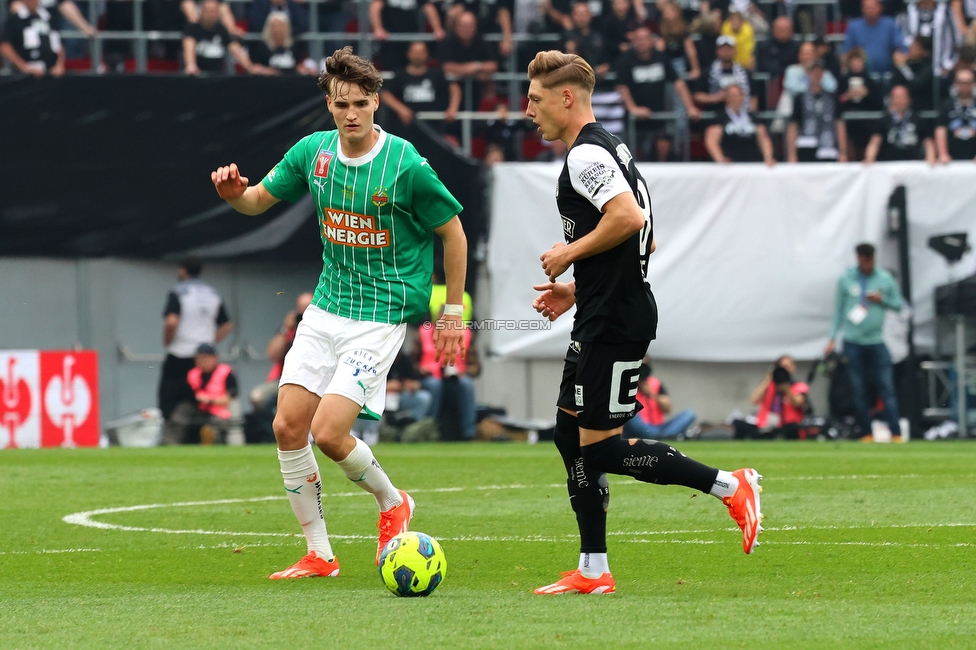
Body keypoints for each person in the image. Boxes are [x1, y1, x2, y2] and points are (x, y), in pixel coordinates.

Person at [210, 47, 467, 579]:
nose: (351, 113)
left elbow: (453, 231)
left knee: (328, 433)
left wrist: (453, 311)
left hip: (381, 315)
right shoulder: (313, 153)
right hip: (327, 309)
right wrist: (234, 196)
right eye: (341, 103)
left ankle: (394, 502)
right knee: (286, 426)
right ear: (329, 104)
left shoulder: (406, 165)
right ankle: (319, 554)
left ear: (376, 103)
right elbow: (257, 200)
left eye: (361, 102)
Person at [524, 50, 763, 595]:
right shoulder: (612, 149)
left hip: (616, 320)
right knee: (570, 435)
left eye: (536, 100)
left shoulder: (585, 156)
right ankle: (592, 569)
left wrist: (568, 254)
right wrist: (577, 287)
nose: (528, 110)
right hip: (601, 311)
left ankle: (730, 486)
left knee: (603, 449)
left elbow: (628, 220)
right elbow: (644, 237)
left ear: (566, 98)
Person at [824, 243, 904, 439]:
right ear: (858, 258)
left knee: (886, 387)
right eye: (863, 260)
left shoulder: (884, 278)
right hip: (853, 341)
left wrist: (881, 300)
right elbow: (838, 311)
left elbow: (898, 304)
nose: (866, 264)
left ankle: (896, 432)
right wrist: (832, 338)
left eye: (870, 260)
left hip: (876, 340)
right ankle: (866, 433)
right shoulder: (847, 279)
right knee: (858, 390)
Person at [159, 257, 233, 435]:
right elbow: (227, 325)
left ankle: (173, 438)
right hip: (204, 356)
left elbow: (171, 321)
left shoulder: (178, 292)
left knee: (170, 402)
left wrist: (168, 341)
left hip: (180, 354)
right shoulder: (213, 294)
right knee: (202, 399)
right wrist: (210, 341)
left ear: (183, 270)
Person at [615, 26, 701, 162]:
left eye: (645, 39)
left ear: (651, 41)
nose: (642, 42)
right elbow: (622, 87)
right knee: (629, 154)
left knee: (664, 143)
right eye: (638, 39)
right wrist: (633, 109)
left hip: (659, 118)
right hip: (634, 121)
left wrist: (689, 107)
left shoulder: (661, 58)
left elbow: (678, 83)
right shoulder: (626, 61)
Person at [250, 291, 314, 421]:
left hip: (315, 378)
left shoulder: (321, 328)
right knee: (258, 397)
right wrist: (286, 328)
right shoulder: (288, 331)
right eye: (302, 310)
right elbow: (272, 355)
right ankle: (272, 436)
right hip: (286, 378)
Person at [162, 344, 240, 445]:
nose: (201, 361)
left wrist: (209, 400)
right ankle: (169, 443)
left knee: (216, 426)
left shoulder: (226, 372)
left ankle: (212, 441)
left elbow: (230, 397)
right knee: (182, 411)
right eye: (199, 358)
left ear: (214, 358)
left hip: (218, 410)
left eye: (205, 358)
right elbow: (189, 394)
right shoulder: (193, 374)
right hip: (198, 408)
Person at [417, 317, 477, 440]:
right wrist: (421, 371)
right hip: (430, 378)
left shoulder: (465, 333)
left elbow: (476, 366)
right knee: (434, 385)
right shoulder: (423, 332)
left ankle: (469, 433)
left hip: (455, 378)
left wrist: (465, 371)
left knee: (467, 384)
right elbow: (412, 363)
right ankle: (429, 429)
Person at [381, 41, 461, 127]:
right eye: (415, 52)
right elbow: (385, 94)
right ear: (408, 53)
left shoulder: (436, 74)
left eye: (421, 52)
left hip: (433, 125)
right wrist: (401, 109)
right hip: (407, 124)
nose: (418, 55)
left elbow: (454, 88)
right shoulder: (400, 75)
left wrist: (453, 109)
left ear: (427, 54)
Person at [787, 59, 848, 162]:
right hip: (806, 147)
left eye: (819, 71)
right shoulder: (800, 98)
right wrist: (792, 154)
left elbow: (839, 124)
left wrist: (843, 152)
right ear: (808, 73)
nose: (816, 74)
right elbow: (793, 125)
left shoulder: (832, 98)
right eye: (813, 71)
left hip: (828, 148)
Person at [734, 356, 809, 439]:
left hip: (786, 426)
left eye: (788, 366)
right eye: (783, 367)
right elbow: (754, 400)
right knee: (738, 423)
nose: (786, 370)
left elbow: (798, 403)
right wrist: (768, 379)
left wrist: (786, 389)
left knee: (792, 428)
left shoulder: (798, 386)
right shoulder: (769, 386)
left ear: (793, 368)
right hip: (766, 425)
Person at [183, 0, 264, 75]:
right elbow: (189, 46)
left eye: (213, 11)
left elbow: (235, 47)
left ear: (218, 13)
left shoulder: (221, 29)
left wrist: (250, 67)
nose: (210, 15)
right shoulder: (192, 28)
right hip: (198, 75)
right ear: (201, 12)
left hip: (217, 75)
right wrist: (191, 65)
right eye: (207, 11)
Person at [863, 85, 936, 163]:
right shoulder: (883, 120)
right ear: (891, 99)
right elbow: (875, 141)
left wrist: (931, 157)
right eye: (897, 97)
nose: (900, 100)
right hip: (890, 163)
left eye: (902, 97)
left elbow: (927, 141)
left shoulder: (918, 119)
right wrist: (869, 158)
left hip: (913, 163)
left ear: (909, 99)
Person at [623, 362, 697, 439]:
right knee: (631, 415)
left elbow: (668, 409)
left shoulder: (655, 383)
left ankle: (663, 436)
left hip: (660, 426)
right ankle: (664, 436)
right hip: (642, 427)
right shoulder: (628, 384)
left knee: (689, 414)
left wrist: (652, 394)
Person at [705, 83, 775, 164]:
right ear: (726, 98)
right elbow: (711, 141)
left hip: (753, 164)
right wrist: (720, 159)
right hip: (730, 166)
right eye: (732, 95)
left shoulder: (753, 117)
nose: (736, 98)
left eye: (739, 95)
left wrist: (768, 157)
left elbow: (763, 139)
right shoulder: (719, 118)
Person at [369, 0, 445, 70]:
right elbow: (375, 6)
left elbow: (428, 7)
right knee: (390, 69)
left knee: (414, 67)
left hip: (412, 39)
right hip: (390, 39)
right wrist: (378, 29)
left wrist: (437, 29)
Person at [839, 47, 884, 160]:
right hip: (849, 125)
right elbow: (837, 103)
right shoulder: (843, 81)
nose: (856, 64)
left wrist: (867, 94)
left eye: (859, 61)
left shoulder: (871, 82)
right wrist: (847, 96)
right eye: (853, 61)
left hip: (867, 124)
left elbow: (879, 105)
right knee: (851, 153)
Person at [841, 0, 907, 75]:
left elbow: (901, 47)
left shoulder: (890, 24)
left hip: (888, 73)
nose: (870, 11)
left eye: (873, 8)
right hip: (861, 75)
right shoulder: (853, 26)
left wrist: (898, 54)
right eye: (867, 8)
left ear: (880, 8)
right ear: (862, 9)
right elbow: (846, 50)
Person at [693, 35, 757, 112]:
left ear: (734, 51)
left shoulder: (745, 73)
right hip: (716, 115)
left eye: (729, 49)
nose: (726, 52)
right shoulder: (708, 73)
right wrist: (715, 97)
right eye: (723, 49)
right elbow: (697, 95)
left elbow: (753, 95)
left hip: (741, 115)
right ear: (717, 51)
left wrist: (751, 114)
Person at [1, 0, 64, 77]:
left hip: (50, 73)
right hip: (25, 75)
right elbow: (5, 46)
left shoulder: (48, 18)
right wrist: (23, 66)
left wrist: (59, 65)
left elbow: (57, 44)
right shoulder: (15, 20)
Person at [249, 12, 316, 76]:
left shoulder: (295, 46)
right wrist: (264, 70)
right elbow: (256, 68)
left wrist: (303, 70)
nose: (278, 30)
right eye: (274, 26)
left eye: (281, 26)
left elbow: (299, 65)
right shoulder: (261, 47)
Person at [935, 67, 976, 162]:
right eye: (961, 82)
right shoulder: (946, 104)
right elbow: (941, 129)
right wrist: (943, 153)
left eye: (968, 82)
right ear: (955, 83)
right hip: (951, 158)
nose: (964, 85)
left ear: (974, 84)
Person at [658, 1, 701, 80]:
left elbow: (690, 50)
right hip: (667, 62)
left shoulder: (684, 30)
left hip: (681, 62)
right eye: (665, 12)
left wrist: (695, 68)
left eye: (669, 11)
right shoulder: (662, 30)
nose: (667, 14)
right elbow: (659, 50)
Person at [891, 35, 936, 111]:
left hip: (922, 108)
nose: (911, 49)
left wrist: (903, 67)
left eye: (915, 47)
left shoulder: (929, 66)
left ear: (924, 51)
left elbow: (917, 84)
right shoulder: (908, 63)